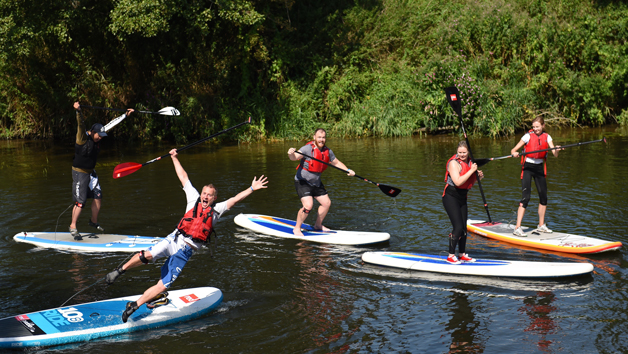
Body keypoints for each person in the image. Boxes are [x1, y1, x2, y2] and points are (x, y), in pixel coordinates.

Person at [105, 148, 268, 323]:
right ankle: (119, 270)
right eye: (204, 193)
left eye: (209, 195)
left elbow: (236, 199)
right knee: (147, 255)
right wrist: (174, 157)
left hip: (185, 252)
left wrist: (252, 188)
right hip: (173, 239)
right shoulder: (193, 198)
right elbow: (183, 177)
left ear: (214, 198)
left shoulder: (217, 211)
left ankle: (134, 305)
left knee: (163, 284)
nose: (205, 197)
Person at [70, 102, 134, 240]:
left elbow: (111, 124)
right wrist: (78, 111)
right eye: (99, 135)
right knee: (81, 202)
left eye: (102, 136)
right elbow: (81, 124)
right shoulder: (82, 138)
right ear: (92, 132)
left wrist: (125, 115)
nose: (100, 138)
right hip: (79, 172)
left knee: (98, 196)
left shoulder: (99, 135)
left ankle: (93, 221)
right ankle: (73, 226)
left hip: (91, 172)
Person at [287, 128, 355, 236]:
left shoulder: (328, 151)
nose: (321, 140)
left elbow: (336, 163)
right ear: (314, 137)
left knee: (326, 203)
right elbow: (294, 157)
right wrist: (290, 153)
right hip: (302, 182)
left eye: (323, 137)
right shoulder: (307, 149)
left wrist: (347, 170)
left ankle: (318, 225)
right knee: (308, 206)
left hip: (316, 183)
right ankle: (297, 228)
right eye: (319, 137)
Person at [510, 117, 562, 237]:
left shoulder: (548, 137)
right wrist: (514, 153)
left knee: (543, 197)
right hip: (528, 168)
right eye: (533, 127)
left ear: (543, 125)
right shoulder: (527, 136)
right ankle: (517, 227)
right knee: (526, 197)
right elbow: (514, 149)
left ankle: (541, 225)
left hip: (539, 168)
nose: (535, 129)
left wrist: (557, 149)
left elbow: (555, 154)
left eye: (537, 127)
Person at [442, 141, 484, 264]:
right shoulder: (453, 164)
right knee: (458, 227)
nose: (462, 155)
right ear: (457, 152)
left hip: (462, 197)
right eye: (459, 152)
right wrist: (472, 171)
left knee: (464, 228)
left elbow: (467, 184)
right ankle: (450, 255)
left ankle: (461, 254)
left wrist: (477, 177)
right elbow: (458, 182)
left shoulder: (470, 163)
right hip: (450, 197)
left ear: (468, 152)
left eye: (464, 152)